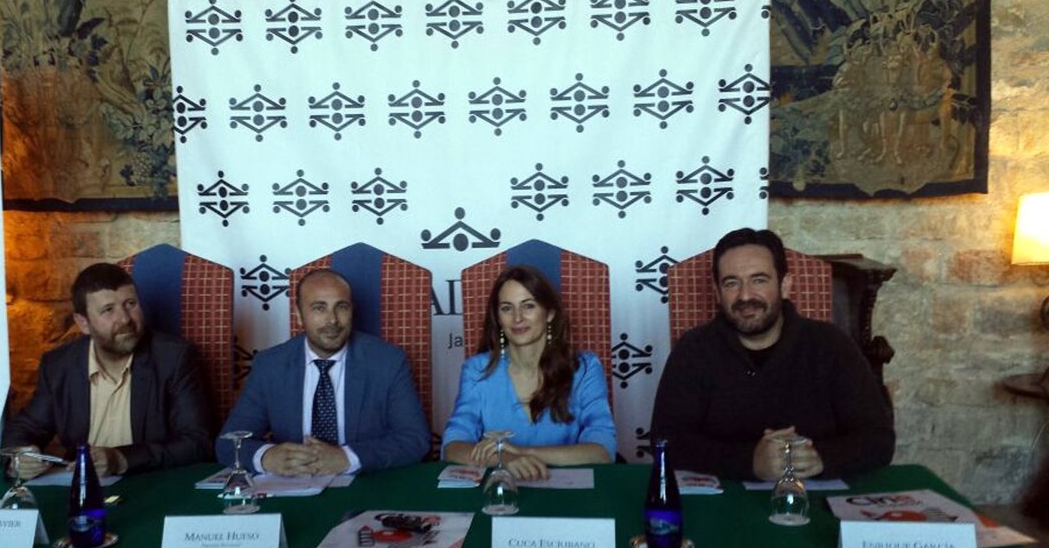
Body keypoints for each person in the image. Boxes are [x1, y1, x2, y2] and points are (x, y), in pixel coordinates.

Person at [651, 228, 895, 480]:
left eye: (759, 280)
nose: (745, 295)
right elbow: (666, 440)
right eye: (731, 283)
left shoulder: (831, 345)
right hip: (725, 496)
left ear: (785, 285)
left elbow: (878, 439)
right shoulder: (693, 350)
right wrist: (749, 462)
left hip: (813, 495)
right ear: (717, 293)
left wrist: (822, 458)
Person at [2, 263, 214, 478]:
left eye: (130, 304)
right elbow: (23, 429)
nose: (125, 319)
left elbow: (196, 443)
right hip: (83, 487)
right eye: (108, 310)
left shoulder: (173, 358)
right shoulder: (60, 365)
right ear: (83, 323)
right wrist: (19, 458)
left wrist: (121, 459)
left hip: (151, 482)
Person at [217, 268, 430, 475]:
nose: (332, 320)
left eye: (341, 307)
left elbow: (414, 440)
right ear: (299, 315)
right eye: (319, 308)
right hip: (294, 485)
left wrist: (347, 458)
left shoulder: (387, 361)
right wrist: (266, 457)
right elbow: (227, 442)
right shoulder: (270, 365)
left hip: (365, 485)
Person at [442, 265, 617, 480]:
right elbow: (452, 447)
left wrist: (521, 453)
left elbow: (603, 451)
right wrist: (505, 460)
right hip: (501, 492)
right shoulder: (477, 370)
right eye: (507, 308)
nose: (517, 318)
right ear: (498, 318)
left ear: (550, 313)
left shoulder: (584, 368)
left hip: (571, 493)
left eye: (528, 306)